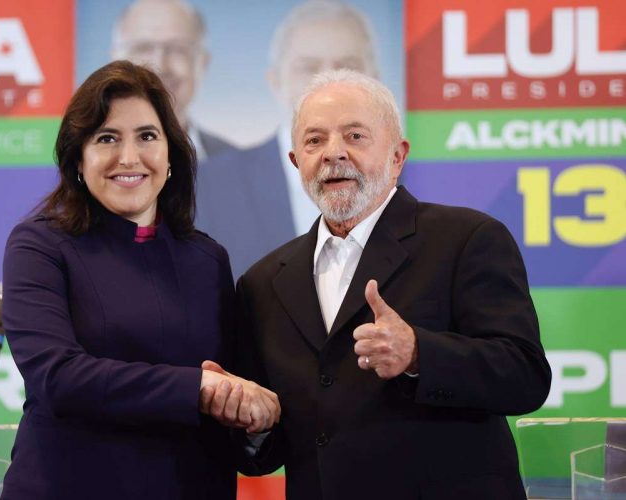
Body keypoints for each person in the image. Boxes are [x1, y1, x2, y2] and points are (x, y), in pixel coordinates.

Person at [203, 69, 552, 499]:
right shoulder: (261, 282)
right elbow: (263, 452)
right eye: (314, 141)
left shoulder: (467, 238)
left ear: (397, 156)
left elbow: (525, 376)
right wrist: (250, 422)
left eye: (355, 136)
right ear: (295, 161)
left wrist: (419, 353)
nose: (334, 153)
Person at [0, 60, 279, 499]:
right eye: (106, 138)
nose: (129, 157)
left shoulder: (208, 259)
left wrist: (252, 416)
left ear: (171, 155)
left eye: (147, 136)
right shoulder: (39, 245)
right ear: (78, 158)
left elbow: (230, 392)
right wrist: (198, 388)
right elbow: (58, 377)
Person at [196, 0, 380, 276]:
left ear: (376, 79)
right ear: (275, 81)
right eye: (308, 67)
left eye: (347, 66)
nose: (329, 82)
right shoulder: (210, 184)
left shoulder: (411, 180)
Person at [110, 0, 235, 162]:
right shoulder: (75, 161)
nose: (160, 66)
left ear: (203, 63)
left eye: (178, 50)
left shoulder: (239, 167)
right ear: (115, 61)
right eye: (143, 48)